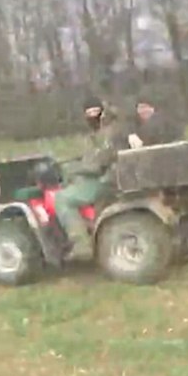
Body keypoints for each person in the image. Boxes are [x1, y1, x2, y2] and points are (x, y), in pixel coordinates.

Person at [54, 95, 121, 260]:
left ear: (102, 111)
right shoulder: (104, 130)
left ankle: (81, 244)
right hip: (109, 176)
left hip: (108, 180)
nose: (92, 116)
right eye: (89, 112)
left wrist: (70, 169)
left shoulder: (109, 132)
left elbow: (95, 165)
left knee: (62, 198)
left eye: (95, 111)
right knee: (73, 184)